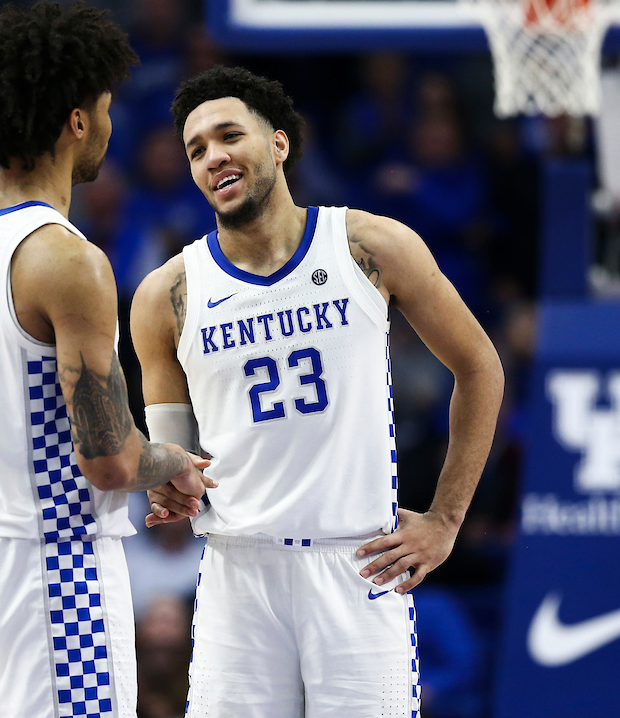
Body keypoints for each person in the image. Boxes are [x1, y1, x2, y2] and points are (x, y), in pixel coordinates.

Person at [132, 66, 504, 716]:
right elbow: (173, 453)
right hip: (237, 575)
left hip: (356, 564)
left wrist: (446, 520)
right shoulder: (166, 294)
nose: (213, 155)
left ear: (278, 142)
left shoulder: (369, 244)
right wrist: (168, 479)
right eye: (196, 149)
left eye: (228, 135)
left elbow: (480, 367)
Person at [0, 1, 214, 718]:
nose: (111, 127)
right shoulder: (66, 260)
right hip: (57, 571)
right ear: (78, 121)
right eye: (106, 108)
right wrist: (173, 462)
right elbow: (110, 460)